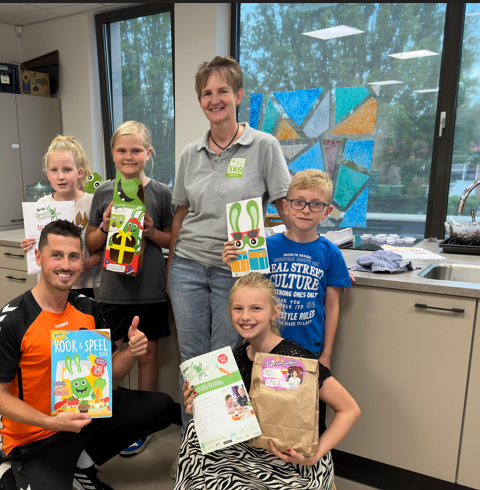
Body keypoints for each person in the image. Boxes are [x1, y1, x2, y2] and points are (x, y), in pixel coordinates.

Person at [0, 220, 175, 490]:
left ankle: (81, 463)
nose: (66, 265)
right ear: (39, 257)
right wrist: (51, 421)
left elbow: (114, 372)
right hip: (36, 436)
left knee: (161, 406)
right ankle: (2, 466)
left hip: (83, 417)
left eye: (74, 256)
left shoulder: (88, 309)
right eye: (56, 255)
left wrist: (131, 350)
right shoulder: (12, 320)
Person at [167, 56, 292, 434]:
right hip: (188, 267)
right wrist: (172, 266)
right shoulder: (190, 154)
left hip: (237, 274)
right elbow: (180, 216)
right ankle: (194, 445)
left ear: (238, 95)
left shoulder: (263, 146)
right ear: (200, 100)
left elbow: (285, 208)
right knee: (192, 360)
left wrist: (309, 246)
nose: (215, 99)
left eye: (223, 90)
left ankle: (220, 443)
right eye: (207, 92)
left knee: (225, 360)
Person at [177, 273, 360, 490]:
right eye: (238, 309)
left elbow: (350, 409)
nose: (246, 316)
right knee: (193, 434)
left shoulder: (294, 359)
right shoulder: (237, 357)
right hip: (251, 447)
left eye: (256, 308)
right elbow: (237, 412)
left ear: (274, 312)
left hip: (292, 460)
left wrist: (315, 456)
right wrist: (201, 405)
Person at [86, 121, 174, 456]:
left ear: (148, 154)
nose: (129, 156)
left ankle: (142, 424)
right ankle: (110, 419)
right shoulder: (104, 193)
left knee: (147, 354)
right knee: (110, 357)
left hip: (149, 290)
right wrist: (106, 226)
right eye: (122, 150)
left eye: (136, 150)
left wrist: (151, 231)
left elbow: (171, 240)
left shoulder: (161, 193)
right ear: (112, 154)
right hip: (112, 291)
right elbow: (92, 241)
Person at [223, 169, 351, 368]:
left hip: (310, 348)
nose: (306, 210)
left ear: (326, 212)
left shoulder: (331, 253)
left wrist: (326, 354)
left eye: (316, 204)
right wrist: (236, 265)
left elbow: (332, 307)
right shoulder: (265, 247)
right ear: (286, 206)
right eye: (299, 202)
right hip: (266, 345)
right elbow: (250, 291)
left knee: (306, 399)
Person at [20, 136, 101, 298]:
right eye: (54, 170)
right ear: (48, 174)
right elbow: (40, 247)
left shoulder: (93, 202)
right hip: (50, 285)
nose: (60, 176)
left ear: (79, 173)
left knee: (83, 322)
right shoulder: (42, 204)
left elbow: (105, 247)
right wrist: (28, 246)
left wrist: (88, 263)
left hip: (81, 285)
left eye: (67, 169)